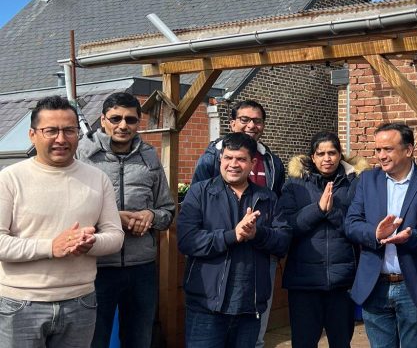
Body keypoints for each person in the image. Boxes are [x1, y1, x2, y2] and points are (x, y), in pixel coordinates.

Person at [0, 96, 124, 347]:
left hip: (80, 301)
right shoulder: (9, 179)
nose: (61, 139)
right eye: (51, 131)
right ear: (32, 135)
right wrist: (50, 247)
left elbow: (115, 236)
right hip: (21, 304)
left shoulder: (97, 179)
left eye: (69, 130)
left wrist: (91, 242)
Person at [77, 92, 175, 348]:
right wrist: (111, 219)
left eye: (130, 119)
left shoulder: (149, 157)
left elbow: (167, 210)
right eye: (116, 118)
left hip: (141, 268)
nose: (123, 125)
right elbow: (68, 212)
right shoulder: (82, 155)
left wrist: (151, 216)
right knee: (94, 340)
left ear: (138, 122)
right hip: (96, 266)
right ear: (103, 120)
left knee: (139, 339)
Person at [177, 133, 291, 347]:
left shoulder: (267, 198)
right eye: (228, 158)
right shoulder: (200, 193)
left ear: (253, 163)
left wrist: (257, 234)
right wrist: (232, 236)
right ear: (220, 159)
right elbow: (187, 240)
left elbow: (283, 241)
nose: (233, 164)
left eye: (241, 159)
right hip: (206, 306)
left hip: (249, 306)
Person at [345, 123, 417, 348]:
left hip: (413, 286)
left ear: (408, 150)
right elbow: (351, 224)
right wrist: (375, 233)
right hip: (374, 285)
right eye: (378, 149)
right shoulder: (367, 180)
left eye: (388, 149)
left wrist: (410, 237)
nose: (381, 156)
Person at [279, 131, 369, 348]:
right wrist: (317, 210)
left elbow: (359, 227)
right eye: (321, 154)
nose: (327, 159)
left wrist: (333, 212)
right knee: (303, 342)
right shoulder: (295, 184)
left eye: (332, 153)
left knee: (341, 342)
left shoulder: (356, 183)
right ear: (312, 157)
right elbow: (287, 226)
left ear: (340, 155)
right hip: (304, 281)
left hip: (342, 280)